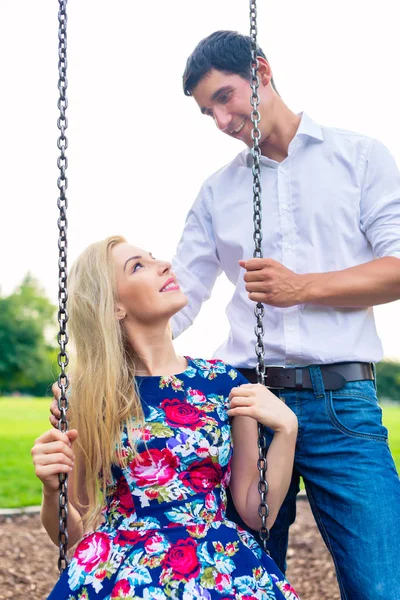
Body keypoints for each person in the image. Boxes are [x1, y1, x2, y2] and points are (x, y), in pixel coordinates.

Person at [169, 30, 400, 600]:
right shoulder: (217, 192)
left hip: (341, 404)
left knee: (381, 583)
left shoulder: (360, 156)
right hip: (247, 404)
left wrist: (303, 287)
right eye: (207, 111)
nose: (220, 120)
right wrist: (105, 352)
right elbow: (181, 297)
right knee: (245, 584)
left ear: (262, 72)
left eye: (224, 97)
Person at [33, 235, 301, 599]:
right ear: (114, 307)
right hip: (120, 569)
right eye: (138, 266)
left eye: (154, 257)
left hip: (214, 564)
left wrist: (286, 430)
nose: (164, 265)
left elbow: (257, 514)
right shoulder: (93, 395)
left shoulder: (222, 382)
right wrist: (52, 491)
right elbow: (75, 533)